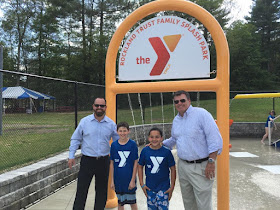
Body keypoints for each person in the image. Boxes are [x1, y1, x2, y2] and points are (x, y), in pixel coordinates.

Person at [163, 90, 223, 210]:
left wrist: (211, 162)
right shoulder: (176, 120)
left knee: (203, 205)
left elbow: (214, 139)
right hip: (183, 166)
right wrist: (157, 145)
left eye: (182, 100)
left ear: (189, 101)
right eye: (176, 102)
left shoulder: (202, 114)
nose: (179, 103)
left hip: (202, 166)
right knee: (188, 202)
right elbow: (174, 139)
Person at [68, 97, 119, 210]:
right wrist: (71, 155)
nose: (99, 108)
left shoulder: (111, 124)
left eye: (102, 106)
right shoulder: (85, 122)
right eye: (97, 105)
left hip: (103, 161)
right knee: (81, 189)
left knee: (101, 191)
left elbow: (118, 142)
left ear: (105, 107)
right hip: (87, 161)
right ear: (93, 106)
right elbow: (75, 139)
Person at [138, 127, 176, 210]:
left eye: (157, 137)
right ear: (148, 138)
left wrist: (172, 186)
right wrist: (141, 183)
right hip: (150, 188)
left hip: (164, 189)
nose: (154, 139)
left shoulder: (166, 152)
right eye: (152, 137)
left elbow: (173, 169)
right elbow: (140, 166)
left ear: (161, 138)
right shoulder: (145, 151)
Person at [110, 122, 138, 210]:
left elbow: (135, 163)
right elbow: (112, 163)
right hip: (118, 179)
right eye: (120, 131)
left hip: (129, 178)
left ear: (128, 131)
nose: (122, 133)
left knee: (132, 203)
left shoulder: (132, 144)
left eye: (124, 131)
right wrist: (112, 180)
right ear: (117, 131)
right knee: (120, 203)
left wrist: (133, 180)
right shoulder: (114, 145)